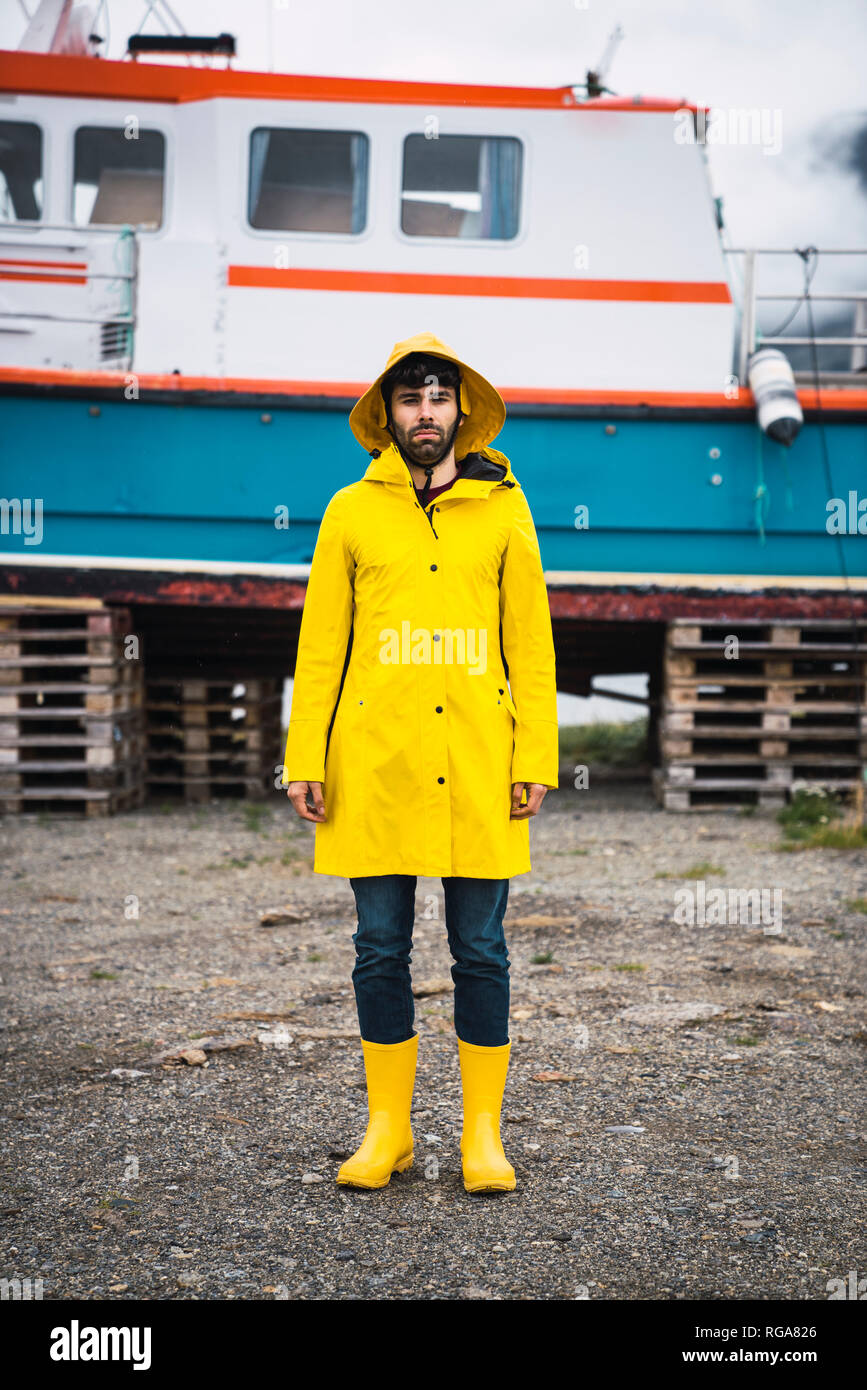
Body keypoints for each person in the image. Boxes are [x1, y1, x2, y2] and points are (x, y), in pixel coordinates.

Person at [284, 331, 558, 1193]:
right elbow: (321, 645)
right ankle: (387, 1131)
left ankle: (483, 1136)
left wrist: (536, 755)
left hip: (479, 760)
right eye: (410, 398)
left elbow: (532, 647)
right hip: (375, 764)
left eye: (439, 397)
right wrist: (305, 756)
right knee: (377, 949)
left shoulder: (506, 510)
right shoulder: (348, 511)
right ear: (387, 415)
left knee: (480, 948)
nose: (425, 412)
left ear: (461, 412)